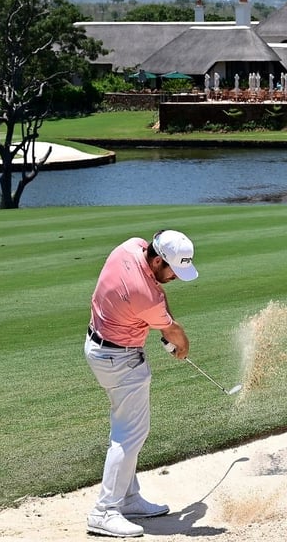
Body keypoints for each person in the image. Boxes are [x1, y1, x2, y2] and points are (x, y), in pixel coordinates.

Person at [84, 230, 199, 537]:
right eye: (173, 270)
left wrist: (163, 326)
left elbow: (159, 301)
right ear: (159, 260)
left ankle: (129, 497)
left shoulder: (131, 247)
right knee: (129, 434)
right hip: (119, 360)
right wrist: (181, 347)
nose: (175, 276)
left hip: (101, 348)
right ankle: (104, 510)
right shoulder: (146, 295)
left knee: (125, 427)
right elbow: (177, 336)